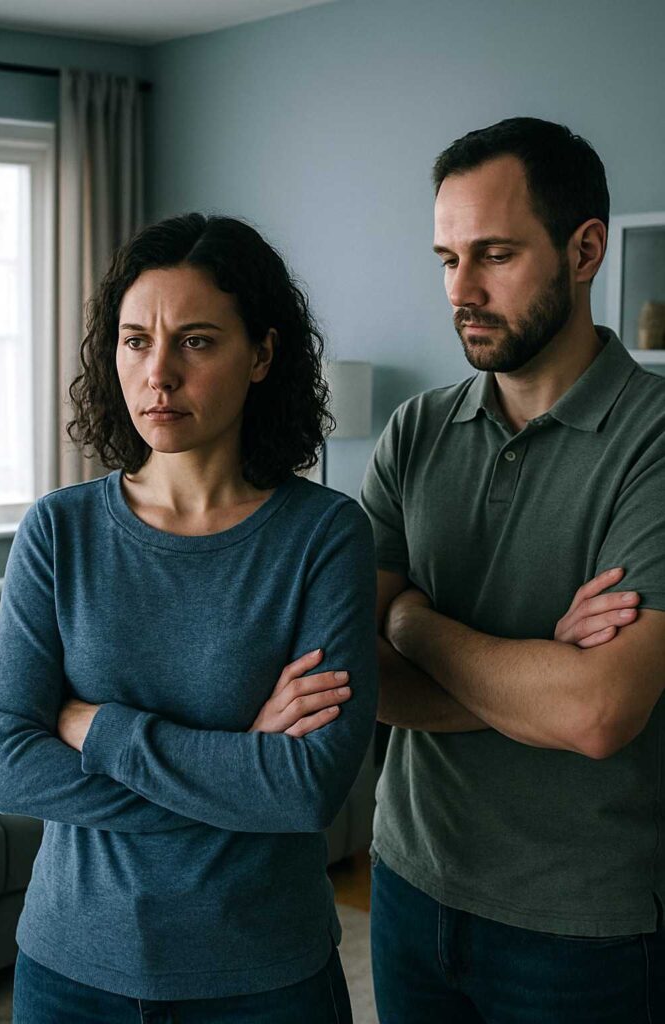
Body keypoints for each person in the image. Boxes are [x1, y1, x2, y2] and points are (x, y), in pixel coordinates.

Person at [0, 214, 378, 1023]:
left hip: (263, 975)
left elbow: (306, 789)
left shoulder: (322, 535)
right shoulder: (60, 530)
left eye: (195, 342)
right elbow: (11, 768)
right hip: (69, 971)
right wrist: (238, 766)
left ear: (262, 354)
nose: (157, 374)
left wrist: (99, 731)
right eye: (135, 341)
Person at [360, 118, 665, 1023]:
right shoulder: (414, 430)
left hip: (584, 928)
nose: (462, 289)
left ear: (584, 250)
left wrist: (411, 620)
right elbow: (354, 673)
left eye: (493, 254)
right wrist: (538, 665)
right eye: (446, 257)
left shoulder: (653, 439)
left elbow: (597, 711)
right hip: (408, 886)